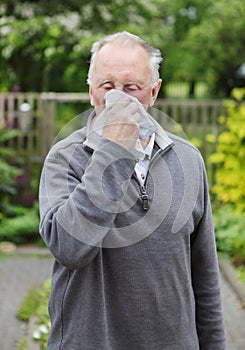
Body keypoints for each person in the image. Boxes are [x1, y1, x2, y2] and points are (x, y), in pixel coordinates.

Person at [39, 31, 226, 350]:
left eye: (131, 88)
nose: (118, 99)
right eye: (107, 87)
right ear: (90, 91)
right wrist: (113, 151)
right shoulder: (64, 158)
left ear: (154, 92)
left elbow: (204, 274)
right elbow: (69, 247)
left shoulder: (187, 159)